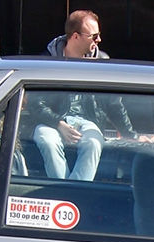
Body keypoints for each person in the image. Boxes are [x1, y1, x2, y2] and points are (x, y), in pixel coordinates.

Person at [32, 10, 132, 180]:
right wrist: (59, 123)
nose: (99, 40)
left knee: (93, 143)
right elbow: (35, 103)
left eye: (99, 35)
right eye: (94, 36)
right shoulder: (46, 61)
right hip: (53, 121)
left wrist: (130, 134)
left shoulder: (102, 61)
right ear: (75, 36)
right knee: (46, 139)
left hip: (88, 122)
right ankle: (65, 191)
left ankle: (70, 193)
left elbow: (113, 103)